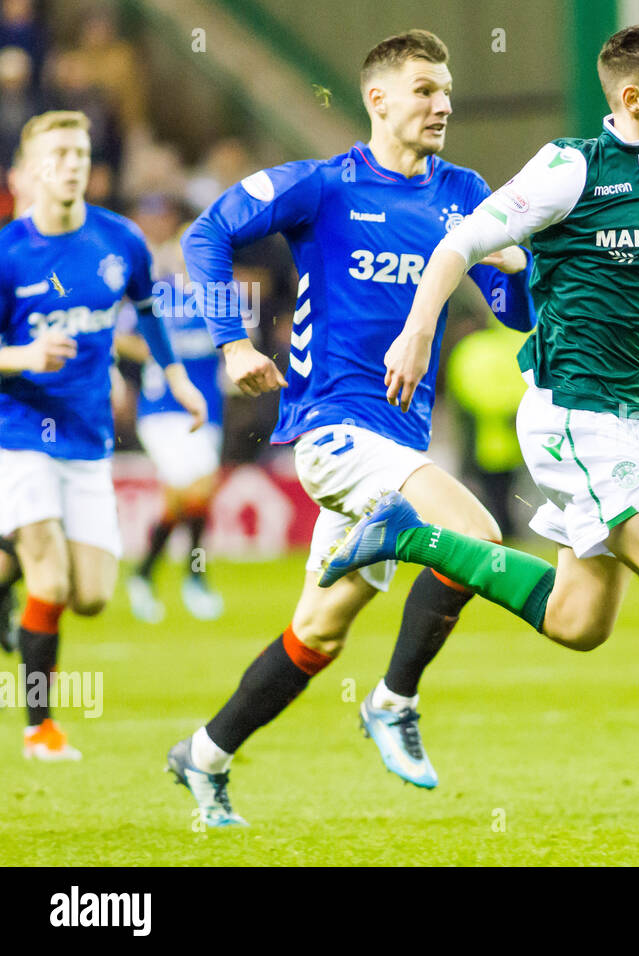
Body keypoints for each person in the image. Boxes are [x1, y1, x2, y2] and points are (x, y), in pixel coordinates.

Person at [322, 19, 639, 842]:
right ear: (632, 98)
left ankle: (413, 537)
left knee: (581, 623)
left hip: (624, 427)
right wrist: (415, 330)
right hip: (571, 417)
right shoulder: (569, 167)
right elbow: (463, 241)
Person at [166, 30, 536, 827]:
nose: (442, 105)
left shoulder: (463, 190)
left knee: (317, 635)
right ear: (378, 100)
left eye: (446, 91)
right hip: (333, 431)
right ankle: (394, 701)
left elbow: (514, 315)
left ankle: (203, 755)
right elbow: (208, 234)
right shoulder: (324, 187)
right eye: (424, 90)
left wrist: (521, 271)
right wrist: (233, 344)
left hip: (399, 446)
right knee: (475, 531)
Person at [0, 110, 205, 759]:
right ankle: (40, 727)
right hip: (20, 433)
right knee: (52, 584)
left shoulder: (122, 241)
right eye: (58, 154)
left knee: (89, 597)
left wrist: (176, 375)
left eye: (81, 153)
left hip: (88, 440)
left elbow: (148, 312)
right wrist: (25, 358)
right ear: (31, 170)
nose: (72, 165)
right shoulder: (8, 254)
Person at [117, 195, 227, 622]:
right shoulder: (155, 294)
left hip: (207, 410)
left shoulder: (217, 296)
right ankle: (195, 579)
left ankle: (145, 574)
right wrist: (155, 354)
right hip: (161, 409)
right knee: (193, 491)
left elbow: (235, 342)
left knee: (185, 500)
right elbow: (119, 336)